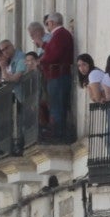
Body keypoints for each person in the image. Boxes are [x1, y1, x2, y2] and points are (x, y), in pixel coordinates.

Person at [39, 13, 76, 142]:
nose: (47, 26)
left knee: (57, 106)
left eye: (47, 23)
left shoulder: (60, 34)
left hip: (58, 76)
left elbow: (53, 55)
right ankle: (57, 132)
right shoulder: (59, 35)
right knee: (56, 106)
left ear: (52, 23)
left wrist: (41, 61)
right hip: (57, 75)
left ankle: (58, 135)